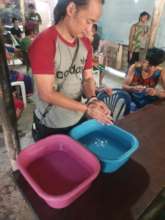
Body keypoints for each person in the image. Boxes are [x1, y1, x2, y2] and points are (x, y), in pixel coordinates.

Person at [29, 0, 113, 141]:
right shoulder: (44, 42)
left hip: (77, 117)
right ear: (71, 9)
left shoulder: (85, 43)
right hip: (52, 123)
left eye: (93, 23)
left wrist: (92, 99)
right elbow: (46, 93)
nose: (89, 29)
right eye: (88, 21)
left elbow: (87, 78)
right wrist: (87, 109)